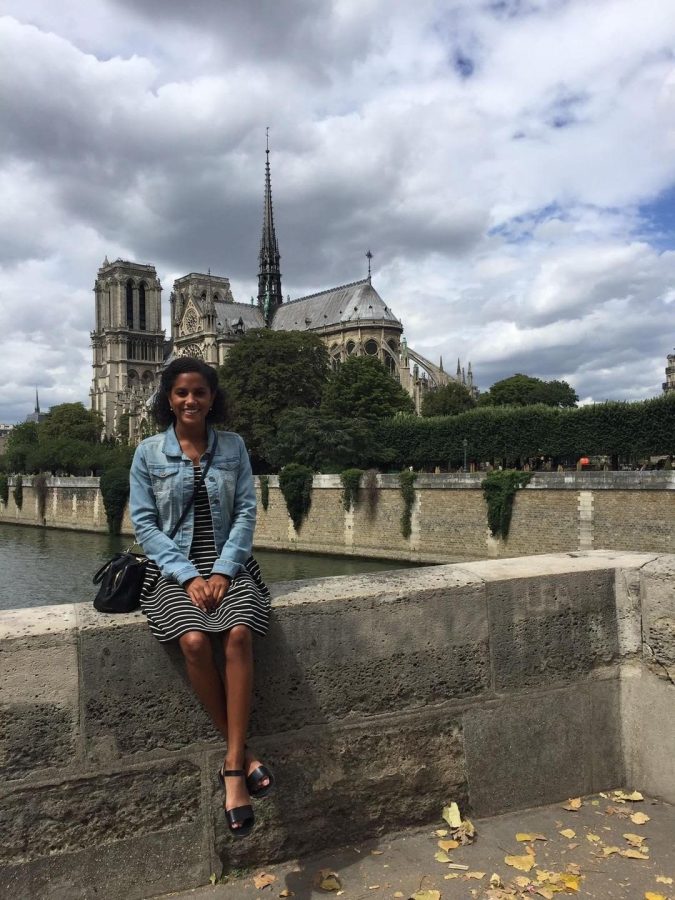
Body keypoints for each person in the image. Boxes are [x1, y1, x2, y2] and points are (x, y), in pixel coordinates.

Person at [129, 356, 273, 839]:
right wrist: (189, 575)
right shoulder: (148, 453)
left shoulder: (234, 447)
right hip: (172, 571)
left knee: (237, 633)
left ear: (213, 399)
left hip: (230, 567)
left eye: (200, 393)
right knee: (192, 642)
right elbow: (145, 524)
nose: (191, 400)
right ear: (167, 400)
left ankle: (233, 766)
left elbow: (247, 512)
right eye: (181, 393)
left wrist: (224, 571)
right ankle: (245, 753)